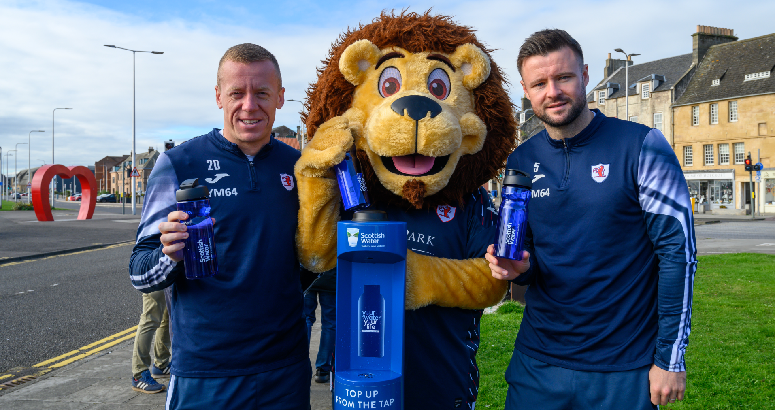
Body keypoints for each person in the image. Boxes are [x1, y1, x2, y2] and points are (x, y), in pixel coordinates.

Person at [486, 29, 697, 409]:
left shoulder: (642, 145)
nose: (553, 92)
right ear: (526, 90)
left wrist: (670, 359)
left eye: (564, 77)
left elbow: (677, 254)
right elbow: (528, 254)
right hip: (538, 363)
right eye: (539, 83)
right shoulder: (521, 160)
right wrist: (520, 268)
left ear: (584, 75)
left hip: (623, 367)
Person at [129, 43, 310, 409]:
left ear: (280, 97)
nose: (249, 105)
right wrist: (169, 255)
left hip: (285, 370)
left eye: (262, 93)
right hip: (205, 373)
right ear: (218, 97)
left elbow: (311, 261)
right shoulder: (178, 163)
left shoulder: (301, 167)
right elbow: (138, 272)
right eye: (236, 93)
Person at [130, 290, 171, 393]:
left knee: (166, 316)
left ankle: (161, 365)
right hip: (155, 280)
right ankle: (139, 374)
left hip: (168, 280)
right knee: (149, 319)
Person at [302, 268, 335, 383]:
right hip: (330, 276)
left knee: (305, 319)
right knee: (329, 323)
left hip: (307, 273)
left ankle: (301, 365)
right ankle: (323, 369)